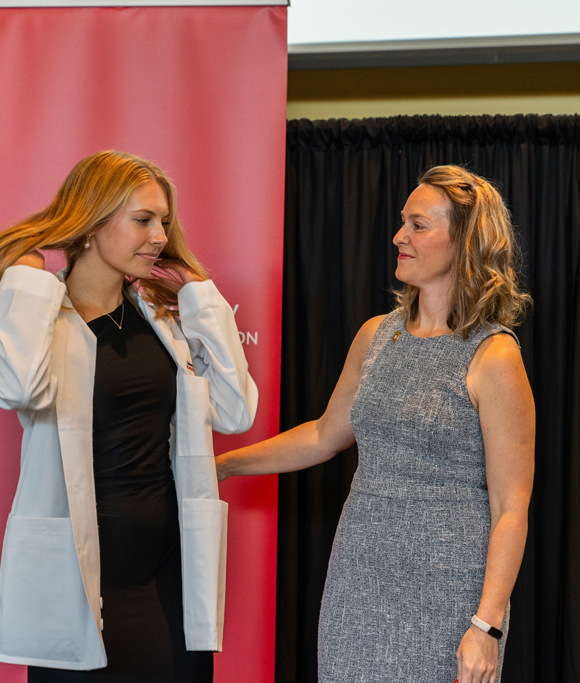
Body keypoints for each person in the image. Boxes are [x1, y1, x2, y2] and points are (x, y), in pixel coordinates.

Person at [216, 165, 534, 683]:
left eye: (418, 225)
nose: (398, 237)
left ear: (466, 242)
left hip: (447, 591)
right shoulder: (376, 335)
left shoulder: (493, 355)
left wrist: (487, 626)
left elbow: (510, 508)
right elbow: (324, 433)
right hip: (358, 574)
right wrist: (224, 466)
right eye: (401, 223)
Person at [0, 151, 258, 682]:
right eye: (143, 220)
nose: (160, 236)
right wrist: (30, 278)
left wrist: (198, 293)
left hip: (167, 580)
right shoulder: (46, 319)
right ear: (93, 223)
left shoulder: (166, 323)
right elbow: (16, 388)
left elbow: (236, 411)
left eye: (164, 222)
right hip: (76, 585)